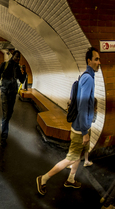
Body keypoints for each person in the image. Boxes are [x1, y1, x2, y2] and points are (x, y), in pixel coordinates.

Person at [36, 47, 100, 195]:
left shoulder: (87, 77)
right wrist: (85, 132)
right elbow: (83, 105)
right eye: (96, 59)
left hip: (82, 126)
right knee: (70, 159)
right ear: (89, 61)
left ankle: (71, 179)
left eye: (99, 59)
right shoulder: (88, 78)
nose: (99, 62)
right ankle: (43, 178)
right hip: (80, 129)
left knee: (76, 156)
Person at [0, 50, 26, 146]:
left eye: (19, 57)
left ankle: (4, 125)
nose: (18, 59)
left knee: (10, 113)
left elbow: (22, 80)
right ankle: (3, 137)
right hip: (5, 93)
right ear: (13, 56)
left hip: (13, 93)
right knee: (6, 115)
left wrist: (24, 71)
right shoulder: (4, 65)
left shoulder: (17, 68)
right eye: (16, 56)